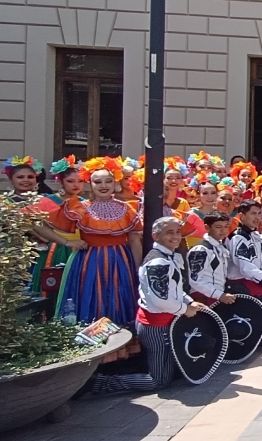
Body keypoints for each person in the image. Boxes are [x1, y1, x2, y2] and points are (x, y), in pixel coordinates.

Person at [88, 218, 210, 395]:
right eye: (170, 232)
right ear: (156, 236)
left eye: (177, 232)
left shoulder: (169, 257)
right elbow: (160, 299)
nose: (175, 236)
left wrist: (188, 301)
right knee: (158, 381)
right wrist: (185, 309)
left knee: (170, 371)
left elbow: (173, 290)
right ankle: (100, 383)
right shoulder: (158, 262)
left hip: (163, 323)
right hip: (155, 327)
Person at [54, 158, 143, 327]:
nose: (103, 185)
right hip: (88, 261)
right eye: (97, 181)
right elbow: (39, 223)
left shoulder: (127, 209)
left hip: (120, 261)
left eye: (108, 181)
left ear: (115, 183)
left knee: (118, 298)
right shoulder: (79, 208)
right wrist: (65, 242)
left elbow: (134, 240)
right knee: (90, 295)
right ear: (90, 184)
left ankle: (120, 346)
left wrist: (137, 268)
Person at [187, 213, 238, 306]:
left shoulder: (220, 246)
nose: (223, 230)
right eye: (218, 227)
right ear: (207, 228)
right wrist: (219, 295)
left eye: (226, 226)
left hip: (218, 296)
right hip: (202, 297)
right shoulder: (201, 249)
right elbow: (195, 280)